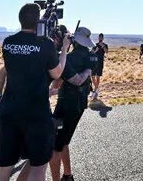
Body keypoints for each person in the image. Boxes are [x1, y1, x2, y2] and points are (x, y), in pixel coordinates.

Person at [0, 3, 69, 181]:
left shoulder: (8, 43)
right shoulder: (46, 44)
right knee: (38, 168)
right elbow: (56, 73)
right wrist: (64, 49)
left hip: (9, 110)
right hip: (36, 113)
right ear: (39, 22)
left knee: (3, 167)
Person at [51, 27, 94, 181]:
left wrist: (62, 51)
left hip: (66, 106)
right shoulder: (90, 56)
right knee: (64, 140)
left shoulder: (69, 59)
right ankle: (68, 175)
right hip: (80, 104)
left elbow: (60, 83)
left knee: (55, 145)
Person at [90, 33, 108, 101]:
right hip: (94, 62)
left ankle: (95, 90)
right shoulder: (95, 45)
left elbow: (107, 52)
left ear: (103, 38)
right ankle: (96, 88)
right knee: (92, 76)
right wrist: (95, 50)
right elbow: (91, 52)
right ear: (98, 38)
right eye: (99, 37)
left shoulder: (105, 45)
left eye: (101, 37)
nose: (100, 38)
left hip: (100, 63)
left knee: (98, 77)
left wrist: (103, 46)